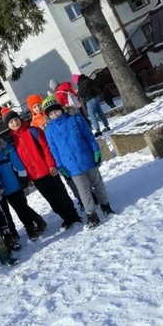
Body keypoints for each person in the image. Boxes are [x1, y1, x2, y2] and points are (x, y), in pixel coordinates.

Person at [42, 95, 115, 229]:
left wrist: (96, 151)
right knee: (83, 190)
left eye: (56, 111)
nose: (54, 115)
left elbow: (88, 136)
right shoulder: (50, 130)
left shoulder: (75, 119)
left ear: (61, 108)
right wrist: (60, 166)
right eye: (51, 113)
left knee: (97, 183)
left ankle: (106, 205)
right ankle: (91, 214)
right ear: (48, 116)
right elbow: (54, 149)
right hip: (70, 165)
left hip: (86, 158)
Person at [5, 109, 82, 229]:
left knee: (61, 195)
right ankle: (65, 218)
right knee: (51, 199)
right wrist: (28, 178)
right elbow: (19, 161)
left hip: (48, 171)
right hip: (35, 177)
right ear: (8, 126)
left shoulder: (33, 131)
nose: (14, 123)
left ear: (20, 119)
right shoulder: (13, 142)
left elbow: (46, 147)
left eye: (15, 119)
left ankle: (73, 216)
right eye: (11, 122)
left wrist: (51, 165)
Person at [0, 131, 48, 241]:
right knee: (12, 212)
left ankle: (31, 228)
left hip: (14, 186)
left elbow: (18, 165)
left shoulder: (7, 149)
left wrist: (24, 181)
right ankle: (26, 226)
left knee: (21, 209)